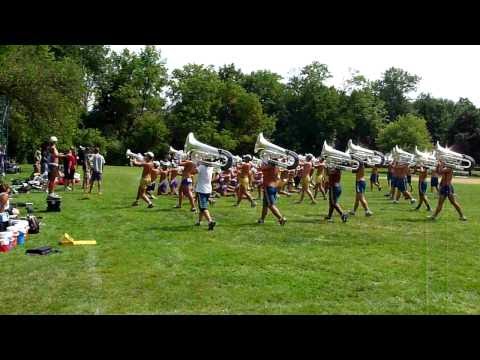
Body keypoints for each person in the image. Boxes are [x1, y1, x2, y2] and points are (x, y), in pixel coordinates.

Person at [258, 160, 287, 225]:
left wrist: (263, 161)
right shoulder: (277, 168)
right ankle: (262, 219)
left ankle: (281, 218)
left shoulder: (268, 168)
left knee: (271, 205)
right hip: (273, 187)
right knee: (265, 205)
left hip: (268, 187)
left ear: (270, 164)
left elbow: (260, 167)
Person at [195, 160, 216, 230]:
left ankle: (210, 221)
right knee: (201, 207)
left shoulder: (201, 167)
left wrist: (195, 164)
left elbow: (193, 172)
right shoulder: (211, 167)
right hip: (208, 189)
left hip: (201, 190)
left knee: (203, 208)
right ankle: (199, 221)